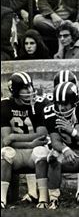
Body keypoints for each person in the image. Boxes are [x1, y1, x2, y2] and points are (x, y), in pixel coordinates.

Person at [1, 72, 50, 209]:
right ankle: (1, 199)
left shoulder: (40, 104)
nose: (30, 91)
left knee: (41, 152)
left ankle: (43, 199)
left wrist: (14, 136)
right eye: (25, 88)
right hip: (18, 151)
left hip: (34, 151)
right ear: (15, 91)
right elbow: (6, 140)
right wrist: (28, 143)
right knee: (5, 153)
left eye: (30, 86)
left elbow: (41, 134)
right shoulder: (4, 105)